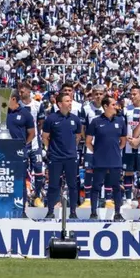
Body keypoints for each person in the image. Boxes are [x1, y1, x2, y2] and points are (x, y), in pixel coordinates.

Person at [41, 91, 83, 219]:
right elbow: (45, 137)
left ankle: (73, 211)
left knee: (72, 185)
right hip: (55, 157)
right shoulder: (51, 119)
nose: (70, 103)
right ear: (59, 104)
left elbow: (77, 136)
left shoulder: (75, 119)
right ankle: (50, 210)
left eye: (70, 101)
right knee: (53, 185)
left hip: (70, 157)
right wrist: (52, 149)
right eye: (67, 101)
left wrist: (70, 148)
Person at [86, 96, 127, 220]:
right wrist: (97, 152)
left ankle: (117, 213)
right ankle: (93, 212)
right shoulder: (96, 121)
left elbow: (123, 141)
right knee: (96, 186)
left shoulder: (120, 121)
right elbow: (88, 141)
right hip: (100, 160)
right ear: (105, 106)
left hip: (115, 160)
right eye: (113, 105)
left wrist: (114, 151)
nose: (116, 107)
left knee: (116, 186)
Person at [5, 90, 38, 207]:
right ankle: (6, 205)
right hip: (4, 152)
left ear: (13, 99)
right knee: (5, 180)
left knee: (20, 181)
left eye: (5, 98)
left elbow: (32, 133)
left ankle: (21, 207)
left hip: (19, 152)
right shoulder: (3, 113)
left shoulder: (25, 113)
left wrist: (23, 144)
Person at [121, 85, 140, 209]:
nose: (132, 96)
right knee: (128, 172)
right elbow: (122, 126)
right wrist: (128, 138)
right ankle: (128, 200)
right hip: (128, 146)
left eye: (135, 94)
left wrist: (139, 139)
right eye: (131, 94)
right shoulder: (126, 110)